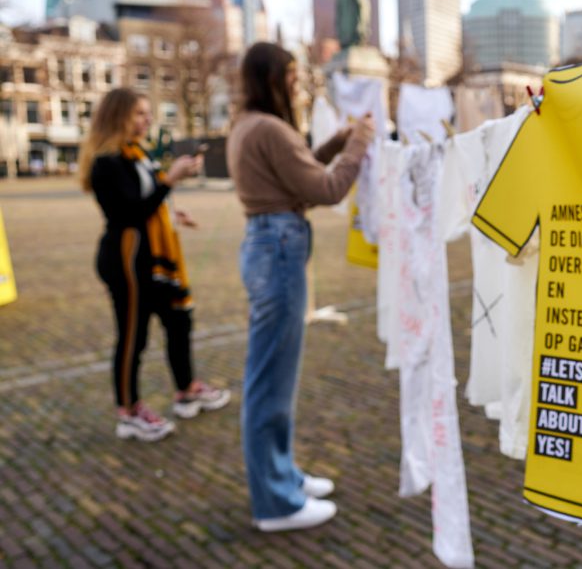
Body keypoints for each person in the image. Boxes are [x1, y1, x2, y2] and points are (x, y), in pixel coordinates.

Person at [227, 42, 374, 532]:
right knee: (270, 378)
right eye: (290, 75)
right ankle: (276, 502)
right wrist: (360, 143)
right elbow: (325, 188)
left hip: (268, 242)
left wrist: (336, 143)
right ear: (270, 76)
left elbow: (297, 171)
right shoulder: (268, 127)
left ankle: (282, 474)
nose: (296, 83)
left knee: (274, 373)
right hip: (279, 246)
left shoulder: (248, 125)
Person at [80, 88, 231, 443]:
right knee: (134, 336)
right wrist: (169, 180)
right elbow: (128, 212)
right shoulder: (108, 161)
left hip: (157, 259)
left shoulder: (139, 154)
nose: (147, 120)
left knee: (180, 320)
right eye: (139, 114)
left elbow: (148, 204)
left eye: (147, 113)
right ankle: (128, 411)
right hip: (128, 261)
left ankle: (186, 389)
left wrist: (171, 212)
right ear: (118, 117)